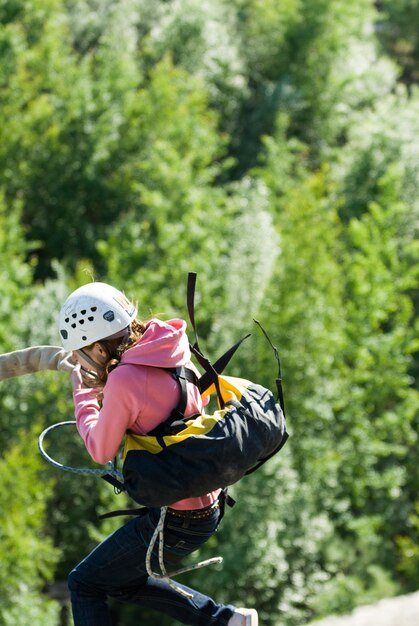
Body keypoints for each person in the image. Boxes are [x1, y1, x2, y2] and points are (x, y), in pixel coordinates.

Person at [58, 281, 258, 626]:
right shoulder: (168, 348)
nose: (82, 361)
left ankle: (224, 620)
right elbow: (163, 402)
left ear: (97, 346)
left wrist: (83, 397)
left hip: (178, 520)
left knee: (84, 582)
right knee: (118, 582)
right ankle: (227, 621)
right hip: (207, 507)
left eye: (82, 352)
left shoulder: (124, 379)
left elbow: (99, 449)